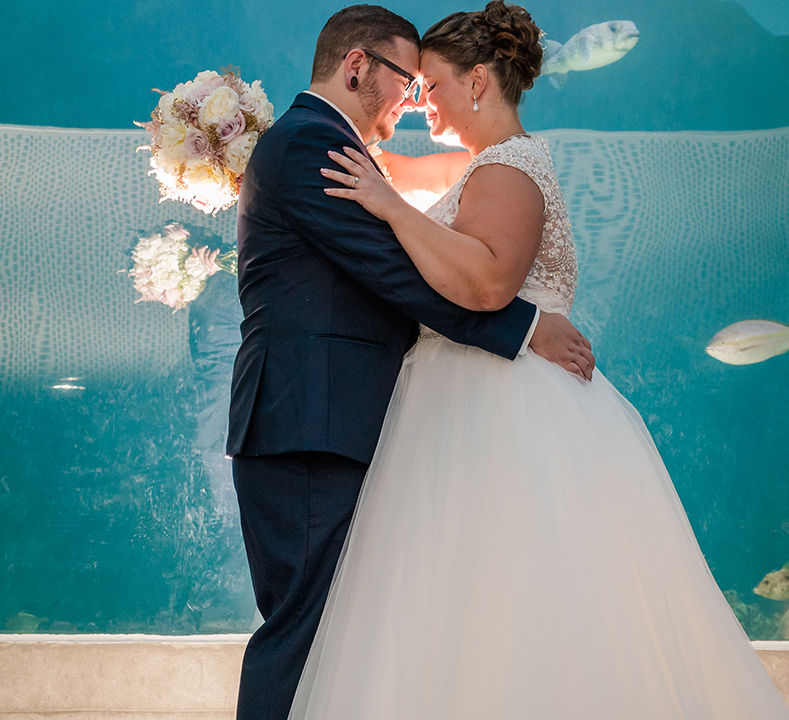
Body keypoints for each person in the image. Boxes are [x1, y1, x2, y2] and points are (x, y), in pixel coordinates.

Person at [287, 3, 789, 718]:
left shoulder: (508, 168)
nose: (415, 102)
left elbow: (490, 282)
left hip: (498, 406)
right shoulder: (481, 166)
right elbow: (384, 164)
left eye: (428, 86)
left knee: (505, 594)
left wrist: (392, 207)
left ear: (477, 82)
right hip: (461, 395)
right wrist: (258, 134)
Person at [226, 5, 596, 720]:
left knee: (339, 635)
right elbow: (391, 271)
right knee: (305, 635)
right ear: (357, 65)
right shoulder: (310, 144)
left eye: (428, 83)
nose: (415, 99)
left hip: (328, 418)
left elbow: (406, 262)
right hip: (310, 422)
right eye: (407, 80)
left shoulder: (329, 144)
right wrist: (524, 328)